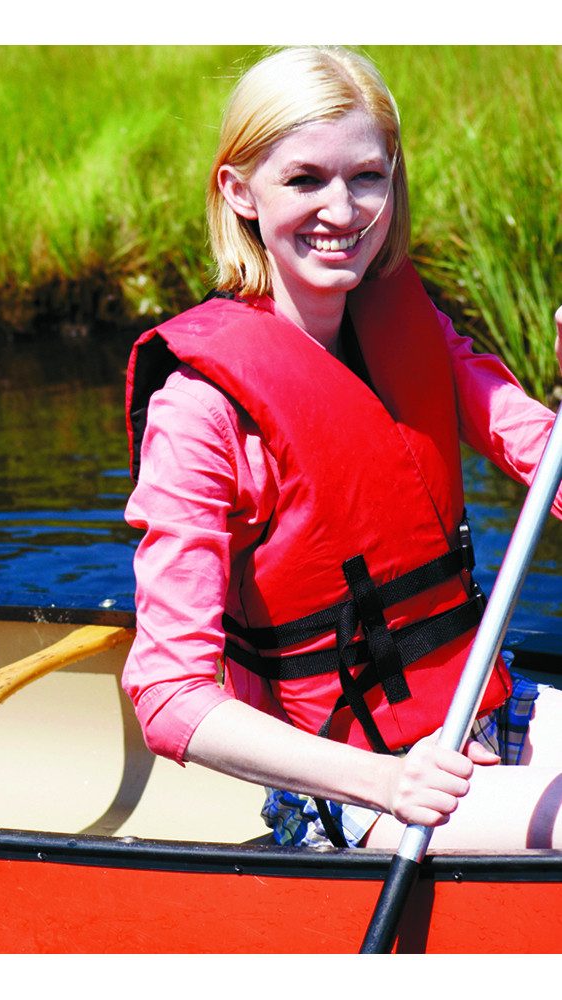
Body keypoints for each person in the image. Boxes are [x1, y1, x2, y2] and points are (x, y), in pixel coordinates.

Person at [123, 46, 562, 850]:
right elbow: (168, 694)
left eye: (368, 177)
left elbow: (551, 478)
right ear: (239, 191)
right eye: (303, 180)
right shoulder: (201, 412)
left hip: (483, 711)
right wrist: (391, 783)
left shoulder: (410, 332)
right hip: (357, 790)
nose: (343, 209)